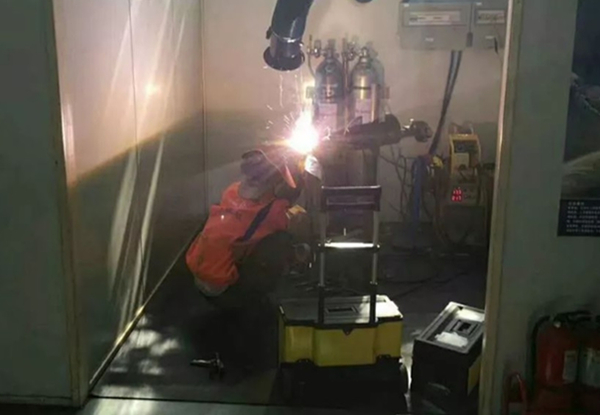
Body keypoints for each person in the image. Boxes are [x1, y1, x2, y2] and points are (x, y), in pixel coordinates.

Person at [186, 146, 309, 369]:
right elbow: (295, 221)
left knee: (246, 238)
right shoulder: (273, 210)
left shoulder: (232, 191)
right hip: (224, 292)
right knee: (280, 242)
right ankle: (250, 303)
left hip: (199, 282)